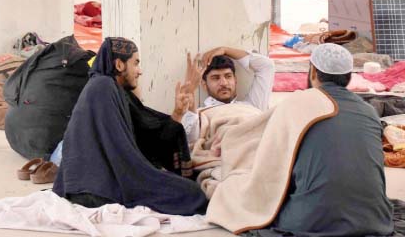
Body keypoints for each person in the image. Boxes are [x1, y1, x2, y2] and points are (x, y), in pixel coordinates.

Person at [53, 37, 207, 216]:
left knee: (188, 188)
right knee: (192, 194)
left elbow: (145, 134)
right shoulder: (103, 87)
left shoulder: (111, 88)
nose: (139, 71)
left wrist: (178, 112)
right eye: (136, 63)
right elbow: (123, 151)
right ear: (119, 64)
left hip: (93, 187)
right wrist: (147, 176)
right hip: (93, 191)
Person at [269, 44, 393, 236]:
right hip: (375, 221)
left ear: (313, 73)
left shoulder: (296, 104)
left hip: (308, 222)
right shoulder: (369, 111)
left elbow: (273, 166)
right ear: (349, 76)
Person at [178, 46, 274, 145]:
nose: (223, 83)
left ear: (235, 80)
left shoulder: (252, 105)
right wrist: (189, 101)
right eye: (215, 78)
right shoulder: (199, 114)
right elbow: (190, 142)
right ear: (204, 85)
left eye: (228, 76)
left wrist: (225, 50)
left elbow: (267, 66)